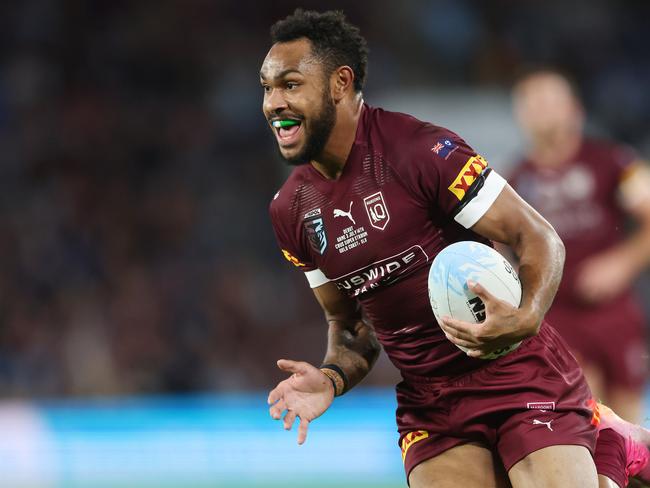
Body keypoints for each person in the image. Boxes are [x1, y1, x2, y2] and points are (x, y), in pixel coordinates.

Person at [261, 9, 649, 488]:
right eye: (267, 88)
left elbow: (537, 236)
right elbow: (350, 327)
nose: (273, 102)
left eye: (291, 85)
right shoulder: (290, 211)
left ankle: (614, 451)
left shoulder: (420, 151)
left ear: (340, 83)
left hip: (516, 370)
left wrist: (526, 315)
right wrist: (331, 378)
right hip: (431, 403)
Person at [508, 68, 650, 424]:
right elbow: (500, 253)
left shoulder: (614, 161)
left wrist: (621, 262)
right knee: (585, 416)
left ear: (576, 110)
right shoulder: (512, 182)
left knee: (628, 425)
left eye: (551, 101)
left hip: (614, 312)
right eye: (533, 103)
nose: (542, 111)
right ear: (520, 115)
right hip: (557, 317)